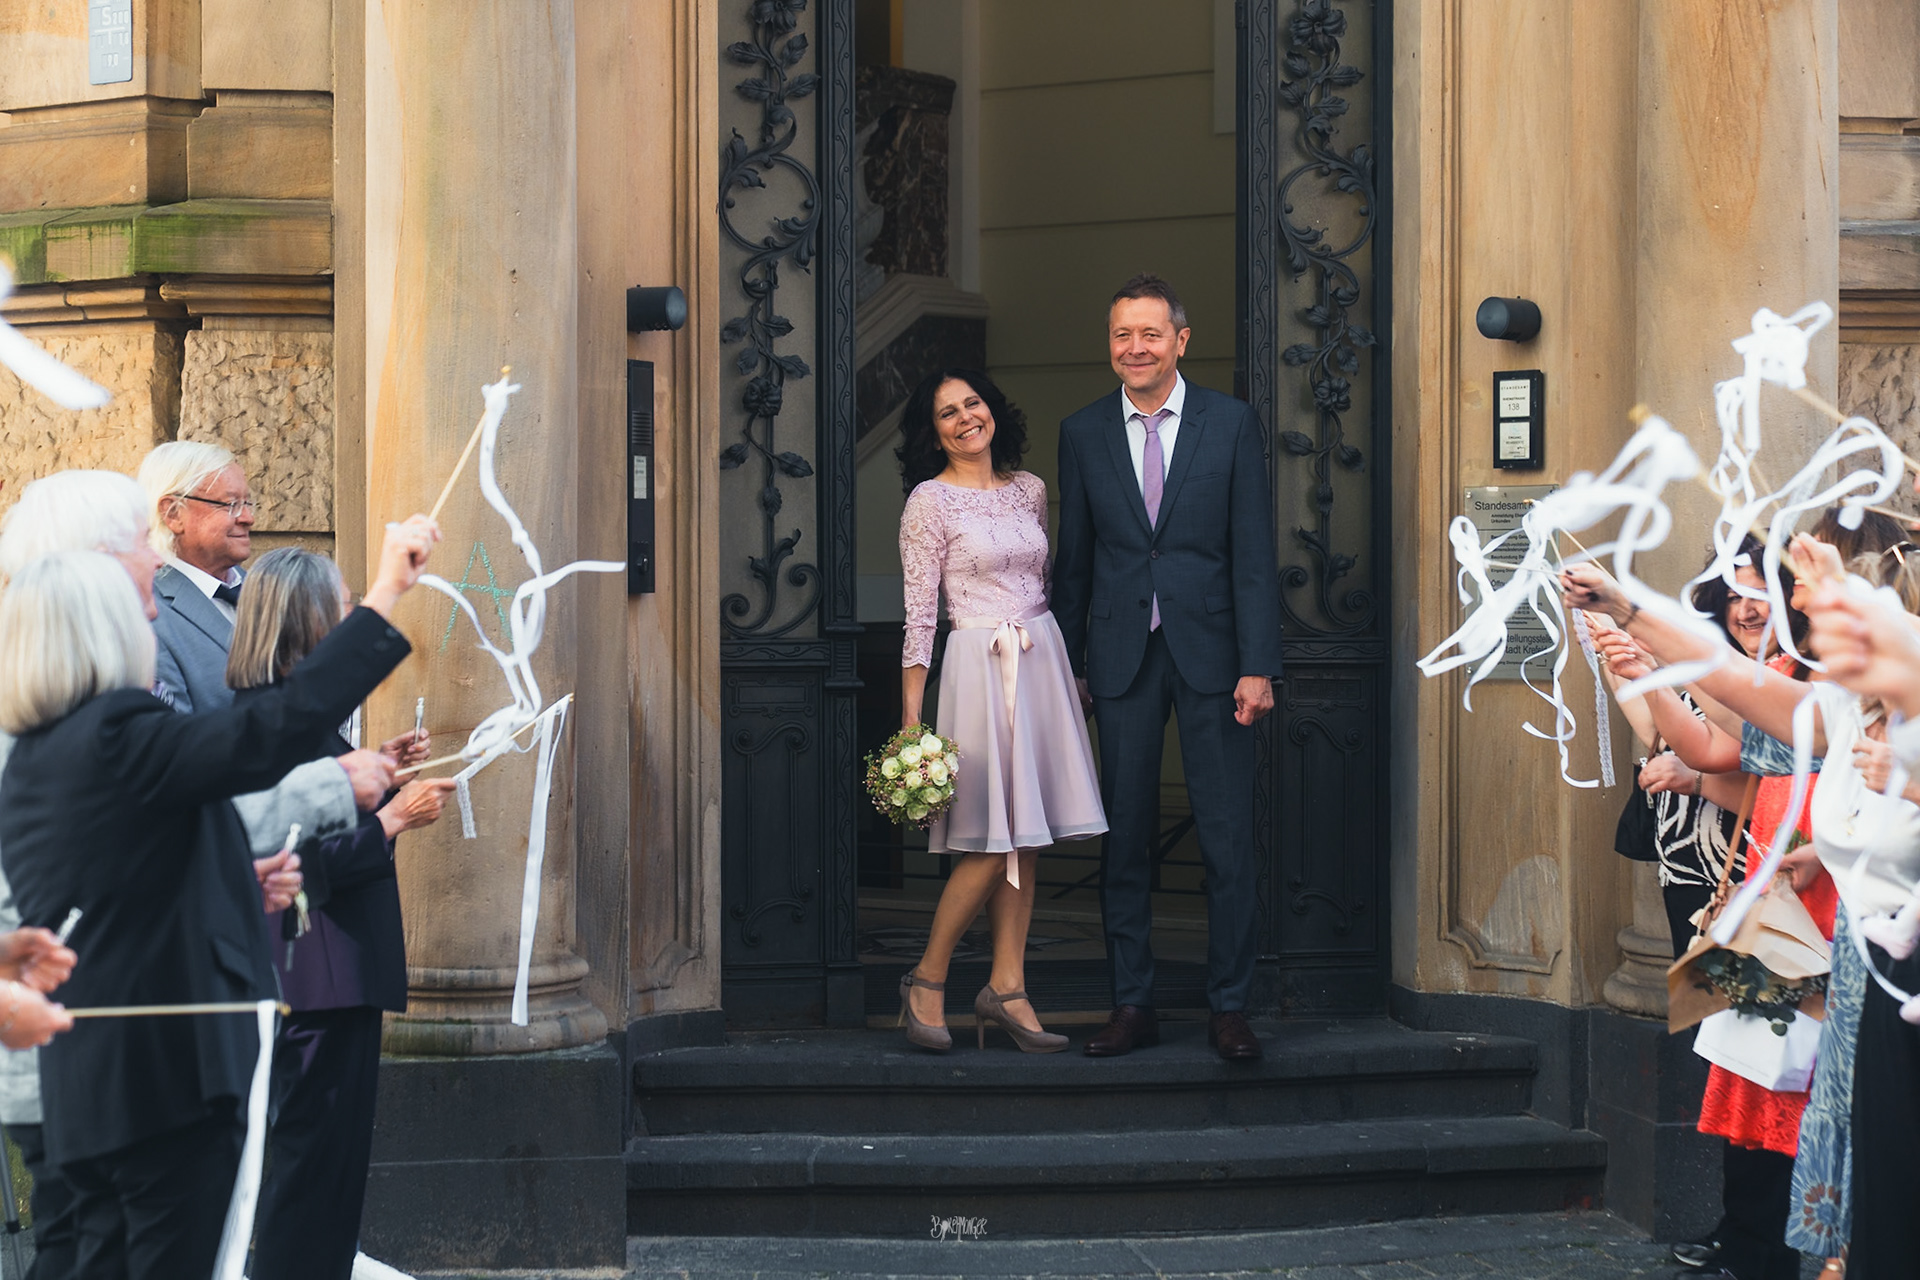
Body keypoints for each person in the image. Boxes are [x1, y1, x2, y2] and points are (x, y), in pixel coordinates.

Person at [0, 515, 438, 1280]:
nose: (151, 618)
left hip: (89, 1084)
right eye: (136, 608)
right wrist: (385, 594)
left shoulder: (38, 758)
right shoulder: (114, 734)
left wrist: (236, 878)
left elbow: (128, 876)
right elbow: (272, 729)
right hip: (164, 1085)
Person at [1052, 274, 1283, 1061]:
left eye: (1150, 334)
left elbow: (1253, 553)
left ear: (1181, 341)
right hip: (1120, 659)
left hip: (1216, 659)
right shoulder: (1082, 432)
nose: (1136, 348)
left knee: (1225, 838)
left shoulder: (1231, 423)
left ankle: (1229, 1007)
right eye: (1123, 334)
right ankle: (1132, 1003)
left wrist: (1258, 664)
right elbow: (1075, 562)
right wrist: (1072, 666)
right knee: (1124, 837)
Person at [231, 549, 454, 1280]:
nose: (354, 610)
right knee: (312, 1171)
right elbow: (294, 864)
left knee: (330, 1171)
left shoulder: (289, 719)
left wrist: (382, 772)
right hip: (314, 978)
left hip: (333, 974)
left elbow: (322, 818)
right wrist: (394, 819)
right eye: (344, 601)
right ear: (307, 621)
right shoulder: (272, 723)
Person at [894, 369, 1106, 1053]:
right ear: (934, 434)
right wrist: (911, 723)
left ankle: (1008, 988)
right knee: (991, 838)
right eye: (947, 413)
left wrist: (1071, 673)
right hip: (977, 667)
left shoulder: (1029, 489)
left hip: (1040, 657)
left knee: (1027, 837)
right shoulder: (928, 502)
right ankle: (926, 979)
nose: (965, 419)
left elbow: (1044, 583)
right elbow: (920, 617)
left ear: (992, 410)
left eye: (973, 403)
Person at [137, 440, 258, 714]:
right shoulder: (149, 614)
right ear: (173, 514)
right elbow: (173, 733)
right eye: (231, 504)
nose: (248, 517)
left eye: (247, 503)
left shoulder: (264, 589)